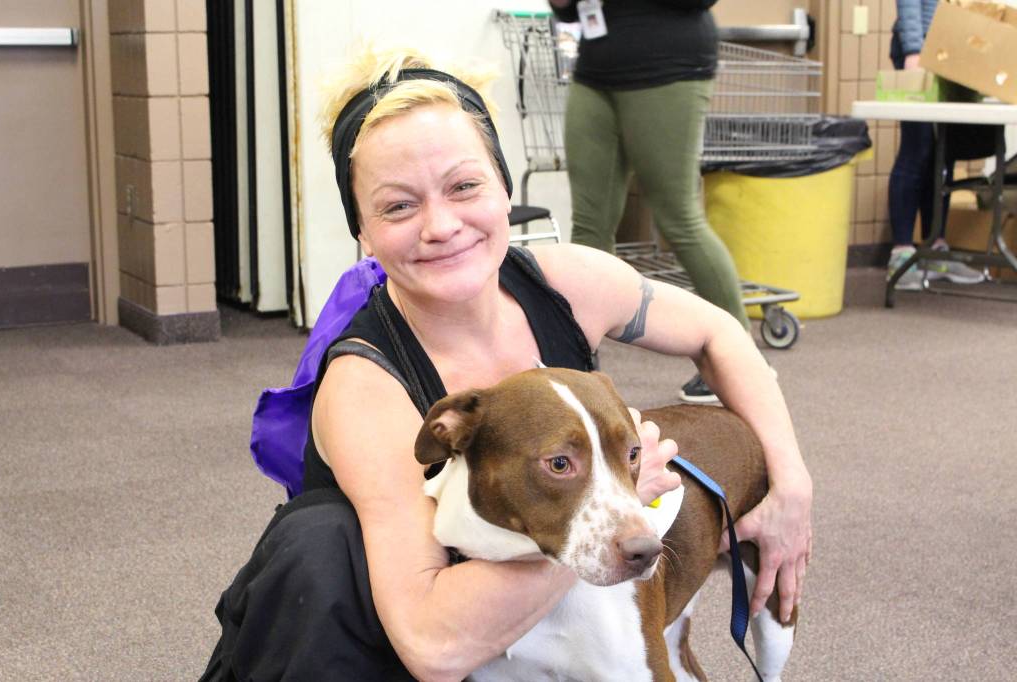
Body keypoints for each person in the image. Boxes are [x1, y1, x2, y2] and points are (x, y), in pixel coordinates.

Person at [201, 46, 812, 681]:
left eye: (465, 186)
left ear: (504, 188)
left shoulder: (567, 283)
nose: (441, 225)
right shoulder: (365, 388)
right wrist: (607, 519)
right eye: (398, 206)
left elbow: (719, 332)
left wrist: (792, 486)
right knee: (325, 540)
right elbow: (434, 645)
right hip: (374, 645)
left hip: (525, 609)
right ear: (363, 230)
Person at [548, 0, 751, 404]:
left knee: (677, 216)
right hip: (596, 70)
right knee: (589, 226)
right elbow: (567, 11)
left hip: (668, 67)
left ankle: (742, 360)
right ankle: (578, 367)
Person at [886, 0, 985, 290]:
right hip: (920, 48)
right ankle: (901, 255)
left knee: (944, 155)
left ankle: (935, 249)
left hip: (951, 49)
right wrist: (913, 50)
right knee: (916, 149)